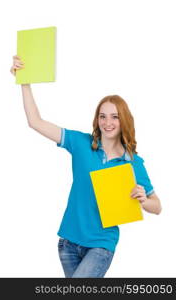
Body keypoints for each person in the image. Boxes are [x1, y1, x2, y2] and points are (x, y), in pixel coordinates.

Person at [10, 55, 162, 278]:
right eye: (102, 116)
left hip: (101, 245)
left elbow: (157, 207)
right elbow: (35, 122)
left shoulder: (133, 163)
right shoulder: (81, 144)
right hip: (68, 243)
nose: (107, 122)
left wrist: (144, 199)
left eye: (114, 117)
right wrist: (24, 82)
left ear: (124, 121)